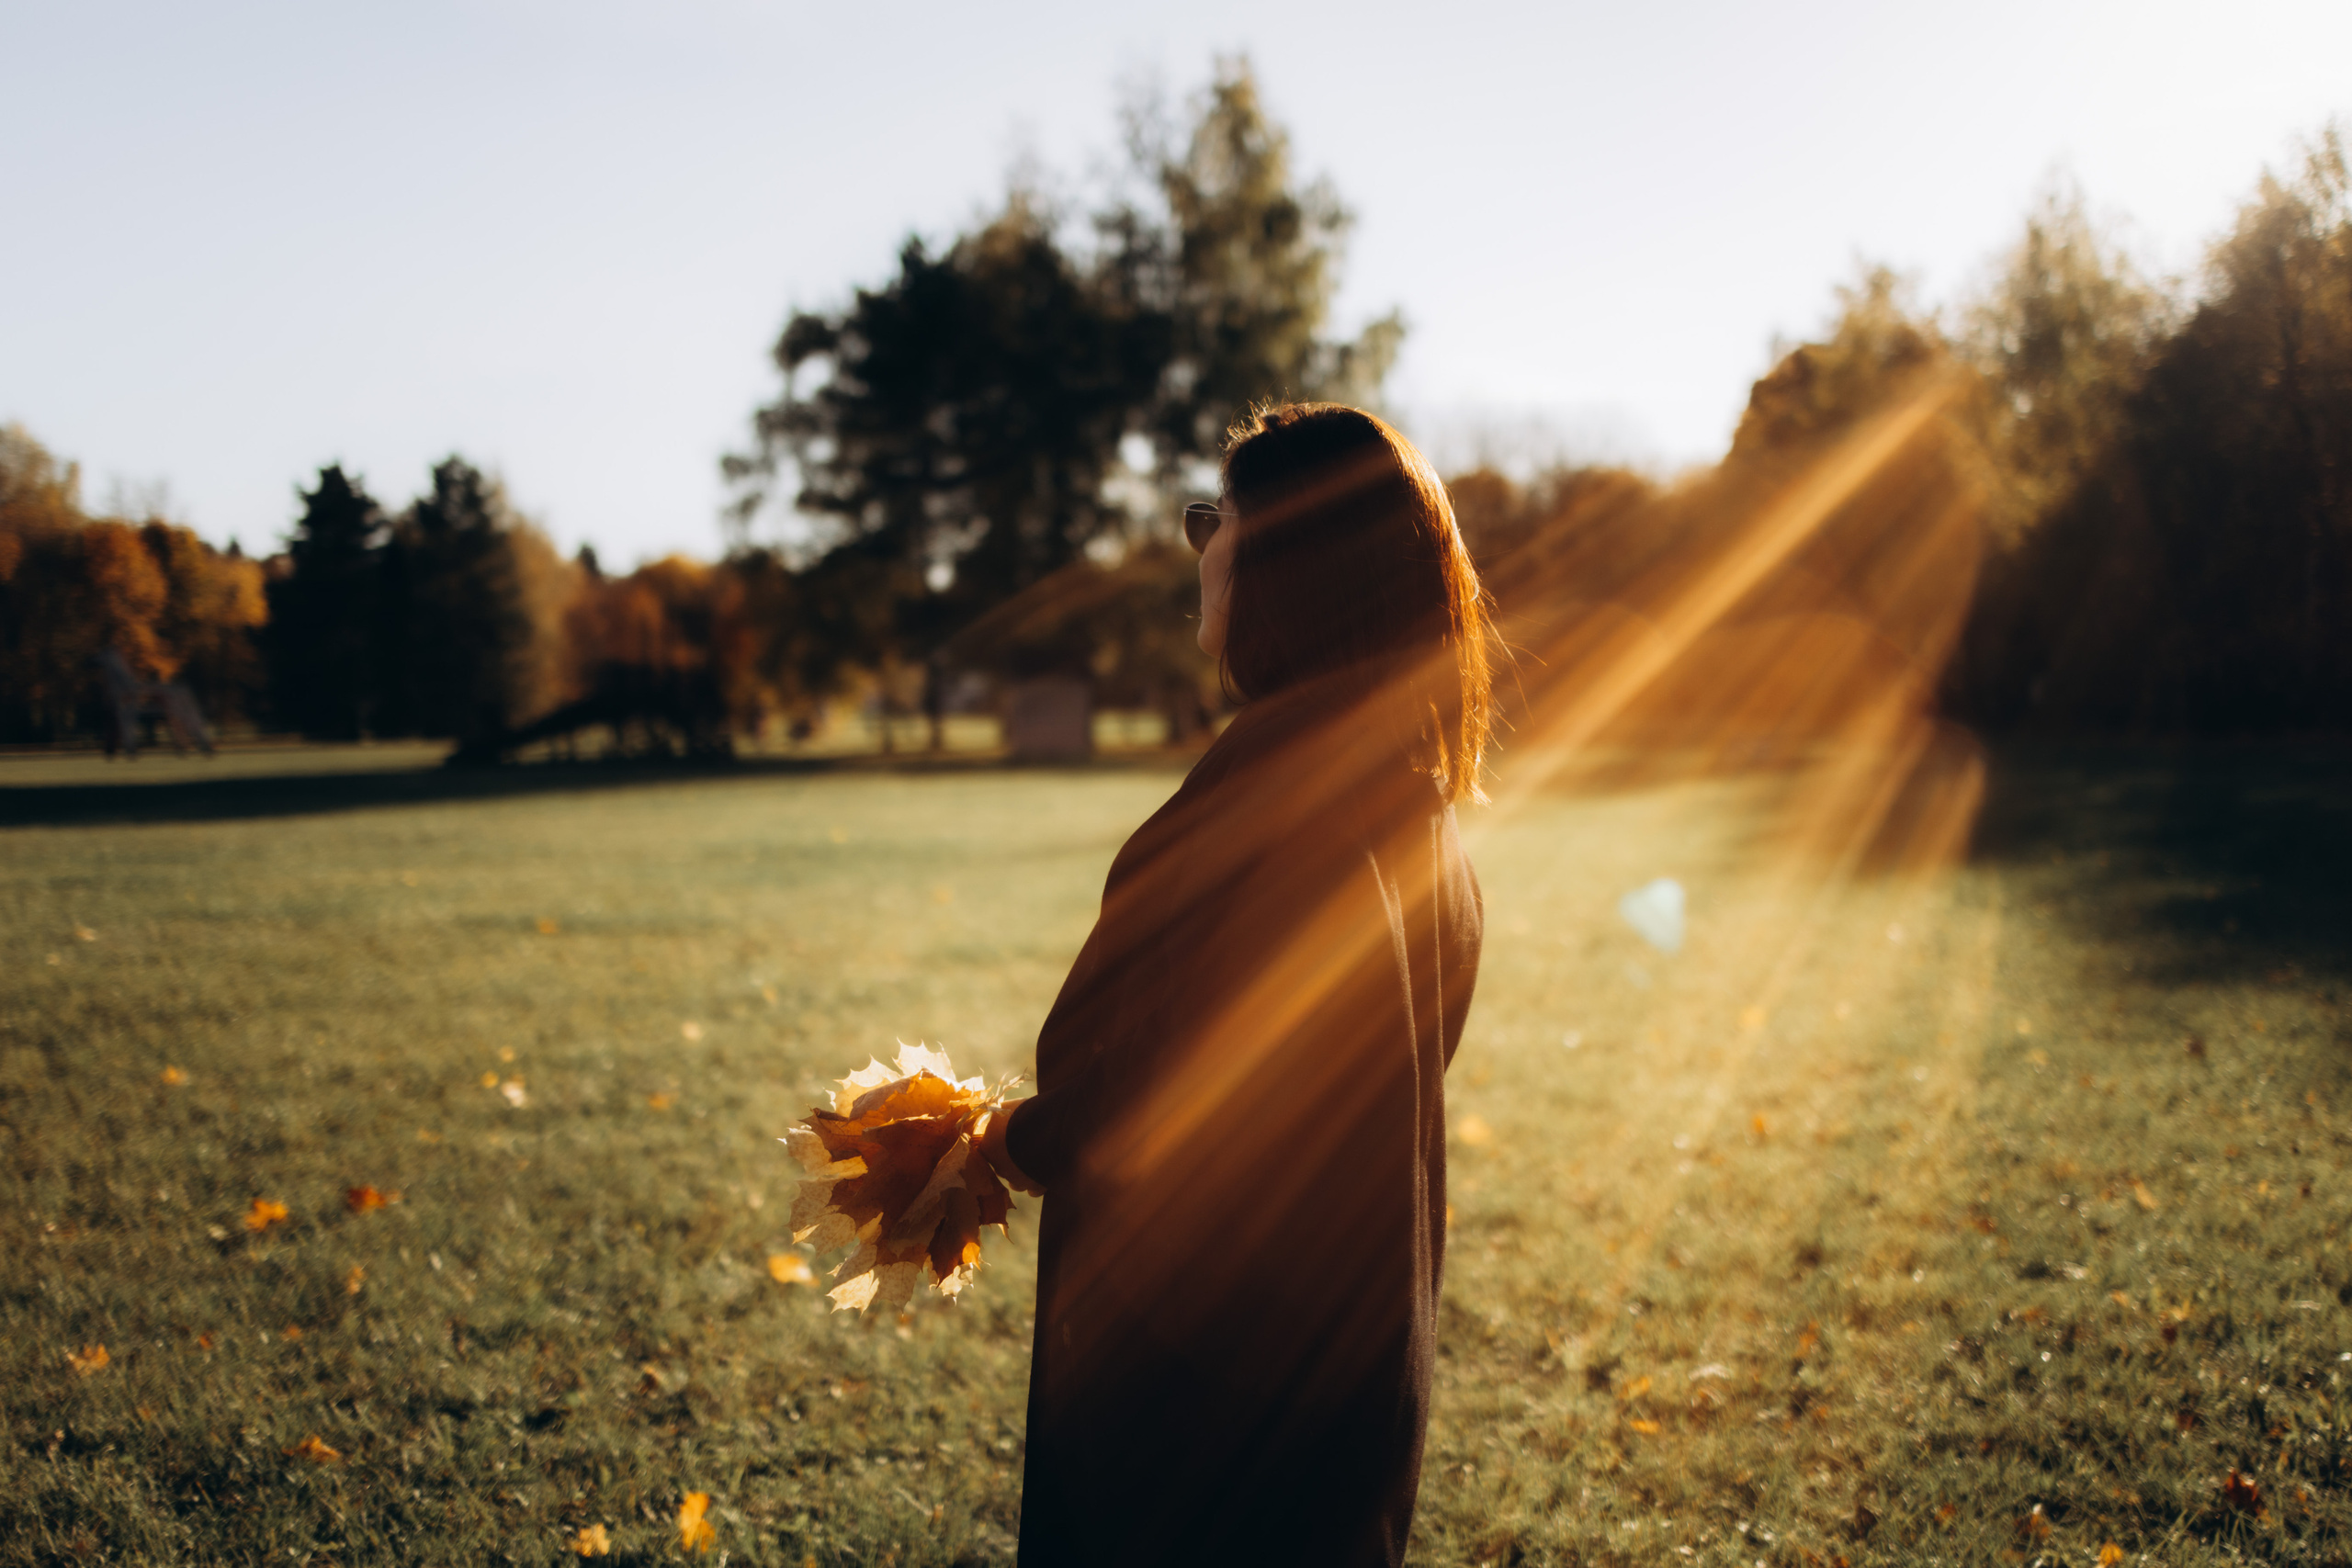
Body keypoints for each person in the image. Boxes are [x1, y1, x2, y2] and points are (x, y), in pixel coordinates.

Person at [978, 402, 1493, 1566]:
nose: (1200, 546)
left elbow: (1168, 1097)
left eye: (1216, 519)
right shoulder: (1415, 804)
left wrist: (1002, 1144)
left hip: (1203, 1396)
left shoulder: (1276, 795)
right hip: (1342, 1378)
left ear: (1284, 558)